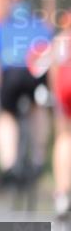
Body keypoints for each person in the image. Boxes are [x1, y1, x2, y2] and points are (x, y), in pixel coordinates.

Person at [0, 0, 53, 187]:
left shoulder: (0, 28)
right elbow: (52, 56)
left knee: (6, 116)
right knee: (38, 111)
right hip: (35, 75)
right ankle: (38, 160)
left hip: (10, 75)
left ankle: (8, 165)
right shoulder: (42, 27)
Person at [50, 12, 71, 218]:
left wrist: (53, 96)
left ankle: (62, 193)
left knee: (63, 136)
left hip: (65, 87)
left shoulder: (61, 40)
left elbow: (52, 69)